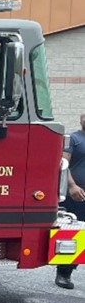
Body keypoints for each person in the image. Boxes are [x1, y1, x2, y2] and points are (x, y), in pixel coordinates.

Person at [56, 113, 85, 289]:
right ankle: (64, 274)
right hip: (77, 195)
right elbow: (63, 164)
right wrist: (72, 186)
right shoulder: (74, 139)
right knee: (74, 233)